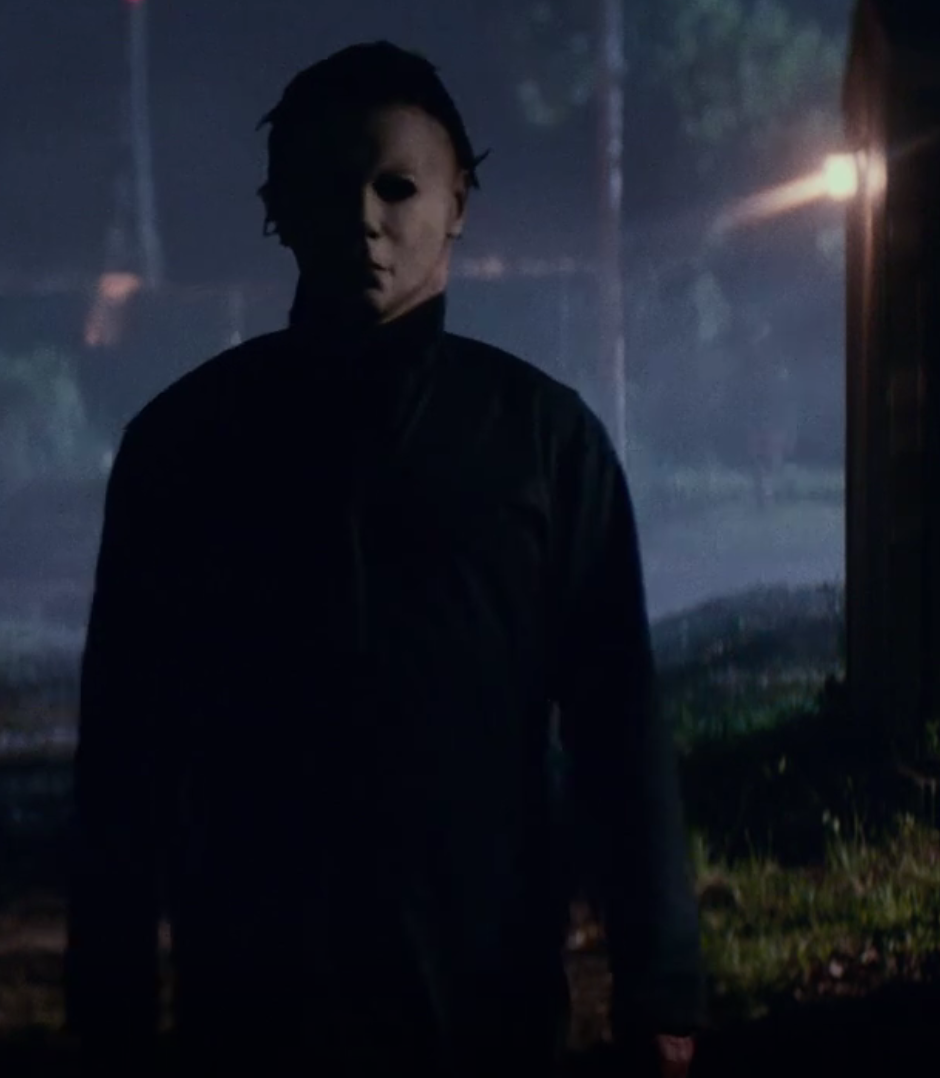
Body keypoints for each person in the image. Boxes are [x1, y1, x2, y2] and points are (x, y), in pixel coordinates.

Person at [65, 40, 706, 1078]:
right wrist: (111, 1001)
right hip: (257, 1000)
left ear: (457, 204)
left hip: (482, 997)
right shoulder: (186, 446)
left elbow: (618, 725)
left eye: (397, 187)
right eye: (330, 187)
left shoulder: (544, 444)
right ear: (278, 208)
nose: (365, 218)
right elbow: (124, 752)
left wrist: (661, 983)